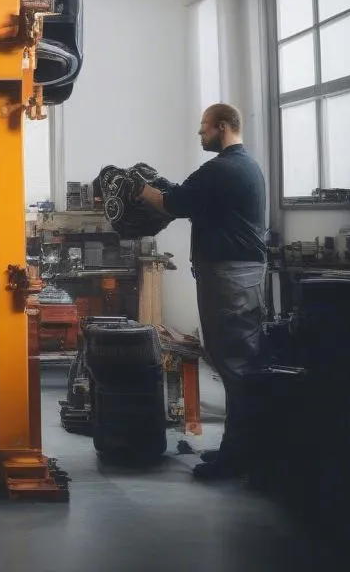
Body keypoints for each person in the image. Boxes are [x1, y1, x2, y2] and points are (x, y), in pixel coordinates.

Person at [132, 103, 268, 481]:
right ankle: (236, 449)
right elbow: (189, 195)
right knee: (231, 362)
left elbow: (173, 202)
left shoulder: (223, 169)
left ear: (222, 127)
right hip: (236, 275)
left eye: (204, 127)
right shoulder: (242, 167)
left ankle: (241, 459)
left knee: (236, 366)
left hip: (231, 278)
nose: (200, 134)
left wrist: (139, 189)